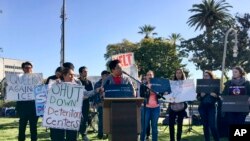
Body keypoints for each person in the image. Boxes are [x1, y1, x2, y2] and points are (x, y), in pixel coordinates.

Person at [222, 66, 250, 136]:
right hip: (231, 108)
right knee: (231, 124)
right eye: (232, 72)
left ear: (240, 73)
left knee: (240, 125)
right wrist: (223, 98)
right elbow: (223, 94)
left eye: (235, 72)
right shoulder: (228, 83)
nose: (233, 73)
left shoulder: (247, 83)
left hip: (242, 108)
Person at [16, 62, 39, 141]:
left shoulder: (37, 79)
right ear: (23, 69)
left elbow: (41, 92)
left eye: (30, 67)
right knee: (22, 127)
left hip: (33, 107)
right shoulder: (17, 79)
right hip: (22, 107)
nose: (28, 69)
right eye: (26, 67)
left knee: (33, 128)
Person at [197, 71, 219, 141]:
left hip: (212, 107)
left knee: (212, 126)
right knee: (205, 126)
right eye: (204, 76)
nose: (205, 77)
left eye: (207, 76)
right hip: (202, 108)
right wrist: (201, 96)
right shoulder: (200, 85)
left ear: (210, 76)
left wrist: (215, 95)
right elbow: (198, 98)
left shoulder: (215, 85)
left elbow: (219, 97)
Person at [140, 70, 162, 141]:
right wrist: (149, 91)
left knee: (154, 127)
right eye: (148, 75)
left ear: (153, 76)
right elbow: (142, 95)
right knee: (144, 127)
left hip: (156, 108)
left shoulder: (157, 85)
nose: (149, 76)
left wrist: (161, 92)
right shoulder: (143, 85)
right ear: (146, 77)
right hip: (146, 108)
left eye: (151, 75)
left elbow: (160, 96)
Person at [169, 69, 188, 141]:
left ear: (182, 74)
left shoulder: (186, 84)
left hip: (181, 107)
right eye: (177, 73)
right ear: (175, 74)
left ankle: (178, 139)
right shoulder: (171, 83)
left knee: (180, 125)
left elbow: (188, 95)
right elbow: (169, 94)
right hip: (172, 106)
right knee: (171, 125)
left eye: (180, 73)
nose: (178, 74)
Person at [45, 66, 63, 141]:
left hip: (62, 105)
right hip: (52, 105)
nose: (58, 75)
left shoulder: (64, 79)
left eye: (60, 74)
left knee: (61, 124)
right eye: (57, 73)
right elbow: (45, 89)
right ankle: (53, 137)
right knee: (53, 124)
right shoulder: (50, 78)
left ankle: (61, 137)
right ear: (55, 72)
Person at [93, 70, 110, 139]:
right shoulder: (97, 84)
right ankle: (100, 134)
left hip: (109, 104)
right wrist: (96, 103)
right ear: (102, 76)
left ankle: (107, 134)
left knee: (108, 120)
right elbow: (95, 94)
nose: (108, 77)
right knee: (101, 120)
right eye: (107, 75)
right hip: (100, 104)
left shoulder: (110, 83)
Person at [78, 66, 93, 141]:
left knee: (85, 119)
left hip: (86, 104)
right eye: (84, 71)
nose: (86, 73)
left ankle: (84, 135)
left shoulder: (89, 82)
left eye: (87, 71)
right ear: (80, 73)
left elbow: (91, 93)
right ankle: (76, 134)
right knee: (77, 119)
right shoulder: (76, 81)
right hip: (77, 104)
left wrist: (90, 102)